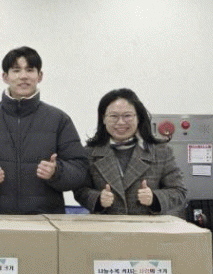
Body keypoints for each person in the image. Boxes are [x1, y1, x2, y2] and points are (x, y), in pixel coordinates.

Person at [0, 46, 87, 214]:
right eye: (16, 70)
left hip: (45, 219)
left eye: (30, 70)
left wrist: (57, 172)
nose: (23, 76)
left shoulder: (59, 119)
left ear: (40, 76)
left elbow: (80, 169)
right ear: (5, 77)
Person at [73, 88, 187, 216]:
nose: (121, 122)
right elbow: (80, 190)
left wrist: (154, 198)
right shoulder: (89, 153)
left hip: (148, 227)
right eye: (113, 116)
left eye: (127, 116)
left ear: (138, 117)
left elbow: (179, 191)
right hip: (105, 226)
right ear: (103, 118)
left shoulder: (161, 151)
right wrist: (98, 199)